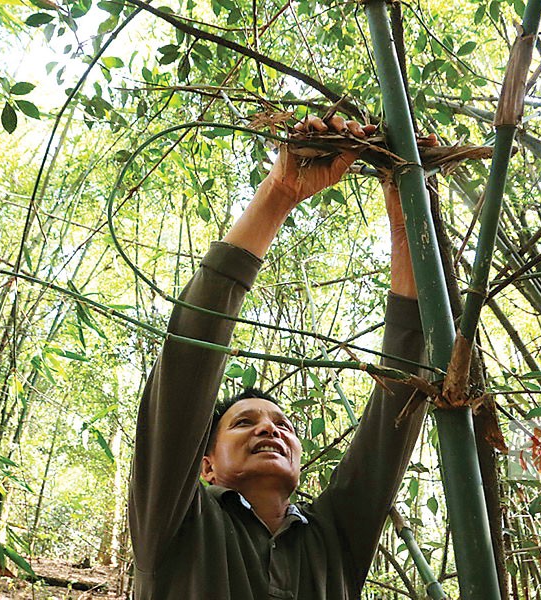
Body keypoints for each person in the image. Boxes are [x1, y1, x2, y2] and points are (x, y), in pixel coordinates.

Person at [129, 115, 428, 599]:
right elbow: (186, 362)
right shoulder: (176, 523)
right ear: (205, 466)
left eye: (283, 425)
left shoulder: (331, 538)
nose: (270, 429)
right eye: (244, 422)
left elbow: (398, 404)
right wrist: (281, 190)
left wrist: (407, 213)